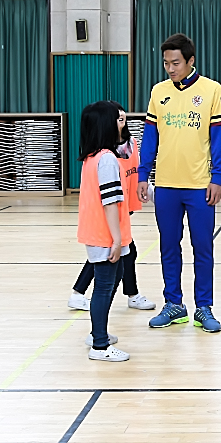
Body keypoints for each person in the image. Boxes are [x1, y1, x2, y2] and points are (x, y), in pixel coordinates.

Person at [138, 33, 221, 333]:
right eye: (166, 63)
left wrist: (217, 178)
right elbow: (150, 138)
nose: (170, 68)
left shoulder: (212, 90)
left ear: (191, 61)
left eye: (176, 63)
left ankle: (204, 307)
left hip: (199, 185)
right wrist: (142, 174)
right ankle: (174, 304)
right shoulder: (158, 92)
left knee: (202, 247)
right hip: (165, 185)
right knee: (168, 247)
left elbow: (218, 139)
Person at [68, 103, 156, 312]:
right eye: (118, 118)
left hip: (123, 210)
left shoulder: (131, 145)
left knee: (119, 256)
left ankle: (126, 295)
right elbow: (107, 199)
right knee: (109, 257)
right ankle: (85, 296)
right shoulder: (104, 156)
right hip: (109, 214)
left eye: (124, 117)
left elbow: (138, 175)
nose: (122, 121)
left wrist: (156, 197)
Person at [76, 101, 133, 362]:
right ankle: (99, 344)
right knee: (103, 287)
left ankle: (98, 333)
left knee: (114, 277)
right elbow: (110, 202)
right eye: (118, 120)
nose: (123, 124)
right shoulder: (107, 160)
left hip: (101, 233)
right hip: (105, 235)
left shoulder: (93, 157)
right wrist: (116, 239)